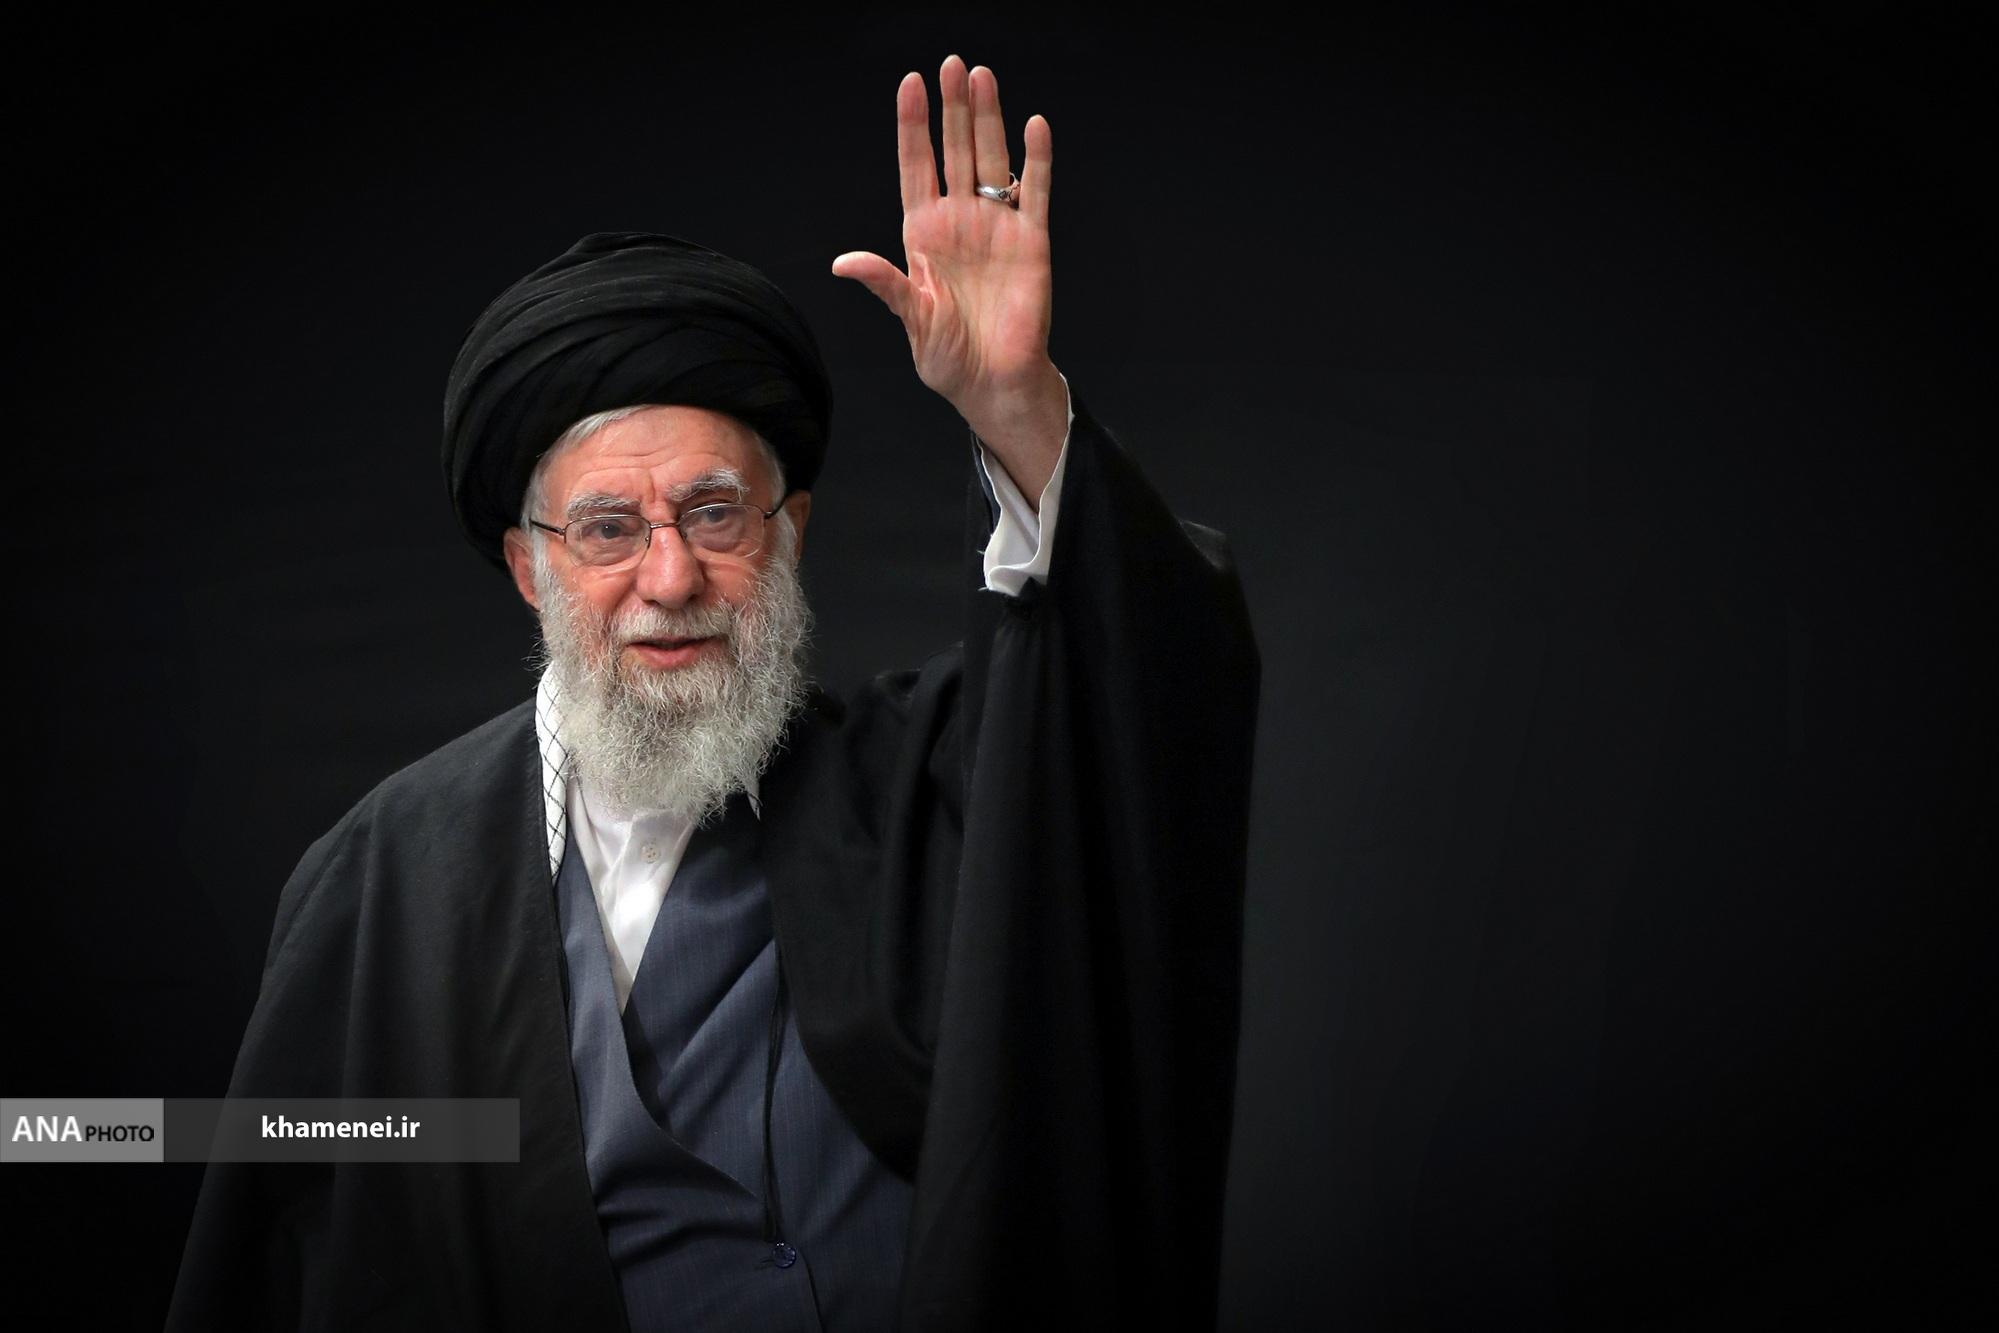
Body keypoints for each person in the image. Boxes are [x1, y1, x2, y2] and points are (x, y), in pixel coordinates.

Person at [168, 54, 1259, 1332]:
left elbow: (1138, 704)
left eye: (715, 513)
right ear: (528, 566)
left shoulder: (929, 781)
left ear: (789, 529)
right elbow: (279, 1238)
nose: (670, 575)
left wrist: (1017, 410)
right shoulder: (386, 877)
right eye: (607, 528)